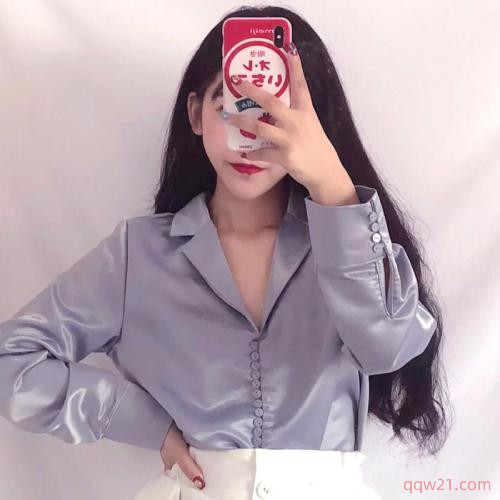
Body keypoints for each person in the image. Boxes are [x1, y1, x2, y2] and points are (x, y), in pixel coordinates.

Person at [0, 5, 451, 500]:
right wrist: (142, 421)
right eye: (233, 104)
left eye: (275, 113)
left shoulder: (346, 247)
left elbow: (386, 348)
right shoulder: (138, 256)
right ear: (196, 114)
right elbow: (12, 359)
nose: (251, 134)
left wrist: (333, 187)